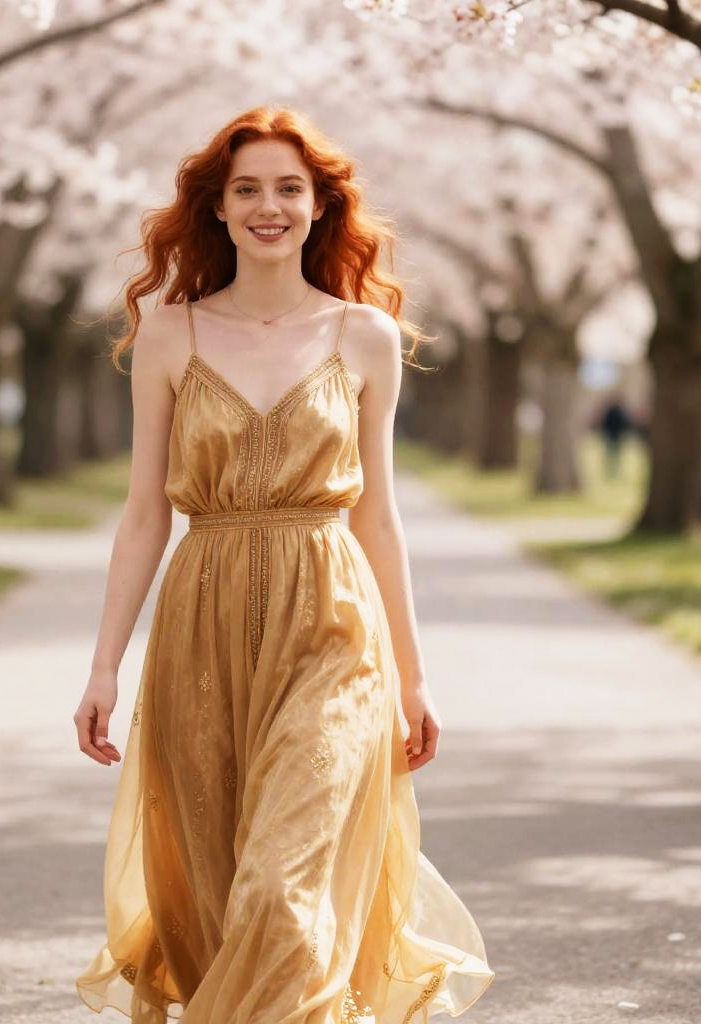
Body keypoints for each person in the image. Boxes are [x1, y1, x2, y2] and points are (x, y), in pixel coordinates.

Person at [72, 106, 494, 1023]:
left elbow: (380, 517)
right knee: (220, 903)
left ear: (320, 207)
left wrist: (412, 680)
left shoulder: (364, 336)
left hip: (334, 627)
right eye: (248, 190)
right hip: (201, 625)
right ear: (217, 209)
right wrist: (104, 664)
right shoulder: (169, 336)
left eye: (289, 189)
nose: (269, 206)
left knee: (282, 890)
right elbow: (145, 512)